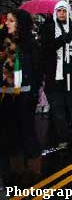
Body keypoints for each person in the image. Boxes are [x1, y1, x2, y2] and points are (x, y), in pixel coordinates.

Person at [0, 9, 42, 186]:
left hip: (25, 93)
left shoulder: (30, 44)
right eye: (7, 20)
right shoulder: (4, 43)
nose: (7, 23)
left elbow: (37, 70)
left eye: (11, 20)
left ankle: (34, 170)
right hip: (6, 94)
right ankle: (16, 169)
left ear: (20, 23)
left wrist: (34, 91)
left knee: (27, 131)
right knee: (10, 133)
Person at [41, 1, 72, 149]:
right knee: (58, 111)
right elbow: (46, 50)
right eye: (59, 11)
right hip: (55, 78)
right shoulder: (48, 28)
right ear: (55, 13)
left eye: (64, 11)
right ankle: (63, 138)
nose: (62, 13)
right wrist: (62, 39)